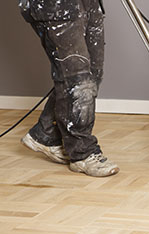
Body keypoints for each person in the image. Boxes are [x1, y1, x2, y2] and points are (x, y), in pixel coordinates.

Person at [18, 0, 119, 177]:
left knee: (92, 74)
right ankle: (82, 153)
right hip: (55, 6)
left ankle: (45, 133)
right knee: (78, 79)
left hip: (87, 3)